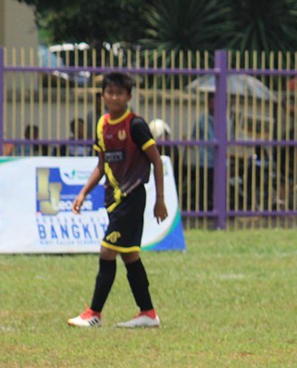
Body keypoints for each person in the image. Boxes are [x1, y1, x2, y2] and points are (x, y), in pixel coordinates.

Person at [67, 72, 168, 329]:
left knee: (107, 251)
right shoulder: (102, 125)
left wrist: (160, 199)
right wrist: (83, 193)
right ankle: (148, 313)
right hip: (113, 199)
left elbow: (156, 161)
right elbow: (101, 165)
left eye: (119, 93)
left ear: (128, 96)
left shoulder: (136, 125)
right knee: (130, 255)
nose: (114, 97)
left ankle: (94, 314)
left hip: (131, 197)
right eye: (110, 93)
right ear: (102, 96)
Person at [190, 92, 216, 209]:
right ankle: (201, 211)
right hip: (204, 161)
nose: (214, 106)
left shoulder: (224, 119)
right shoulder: (202, 120)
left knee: (216, 189)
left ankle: (215, 211)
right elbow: (193, 138)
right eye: (212, 103)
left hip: (219, 162)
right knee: (203, 189)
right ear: (208, 103)